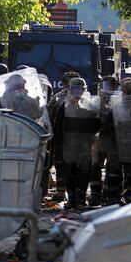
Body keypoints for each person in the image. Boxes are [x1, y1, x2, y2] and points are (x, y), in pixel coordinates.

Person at [56, 77, 100, 210]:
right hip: (68, 145)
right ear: (70, 90)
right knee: (69, 172)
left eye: (80, 89)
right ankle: (72, 199)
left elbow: (97, 124)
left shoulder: (90, 105)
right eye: (75, 89)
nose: (77, 92)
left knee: (85, 172)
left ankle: (80, 199)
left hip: (85, 145)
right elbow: (58, 128)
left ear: (84, 90)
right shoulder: (63, 106)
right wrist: (58, 147)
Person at [47, 71, 81, 203]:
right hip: (61, 137)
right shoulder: (57, 98)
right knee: (60, 165)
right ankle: (61, 191)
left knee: (76, 166)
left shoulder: (84, 98)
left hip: (79, 138)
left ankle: (76, 193)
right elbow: (50, 116)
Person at [89, 76, 119, 207]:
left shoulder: (119, 101)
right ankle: (95, 196)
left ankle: (108, 195)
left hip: (114, 139)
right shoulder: (96, 101)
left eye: (112, 86)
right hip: (99, 139)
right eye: (107, 85)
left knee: (112, 169)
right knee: (96, 166)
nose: (109, 89)